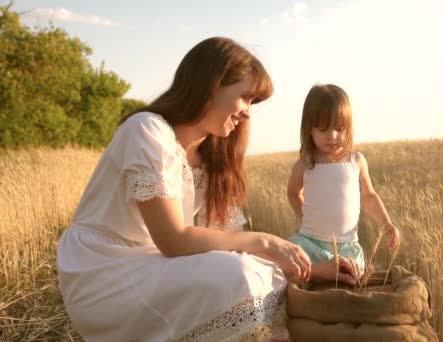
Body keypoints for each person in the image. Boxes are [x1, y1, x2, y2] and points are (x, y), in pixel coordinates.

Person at [56, 37, 357, 342]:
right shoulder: (146, 130)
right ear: (211, 86)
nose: (248, 113)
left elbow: (232, 241)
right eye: (245, 97)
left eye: (253, 102)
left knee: (254, 271)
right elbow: (173, 240)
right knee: (239, 275)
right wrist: (267, 241)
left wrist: (312, 269)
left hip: (154, 267)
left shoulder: (213, 157)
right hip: (103, 271)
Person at [287, 84, 401, 273]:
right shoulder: (305, 164)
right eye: (323, 130)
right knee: (297, 273)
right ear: (309, 130)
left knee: (348, 282)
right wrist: (303, 215)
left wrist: (386, 224)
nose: (332, 136)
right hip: (310, 243)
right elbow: (292, 193)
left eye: (339, 128)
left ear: (349, 127)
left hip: (347, 246)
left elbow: (369, 196)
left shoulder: (356, 161)